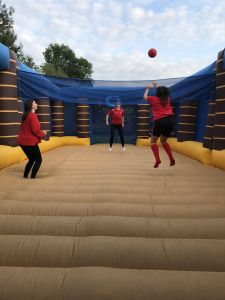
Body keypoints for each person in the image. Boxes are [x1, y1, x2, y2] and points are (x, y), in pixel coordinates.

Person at [143, 81, 175, 168]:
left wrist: (147, 89)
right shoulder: (167, 99)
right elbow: (161, 93)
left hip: (160, 120)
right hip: (170, 120)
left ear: (157, 93)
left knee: (153, 142)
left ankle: (158, 159)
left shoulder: (153, 99)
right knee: (163, 141)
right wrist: (156, 85)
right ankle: (171, 158)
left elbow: (145, 97)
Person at [18, 100, 47, 178]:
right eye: (34, 103)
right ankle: (33, 177)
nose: (36, 104)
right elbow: (35, 130)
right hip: (30, 142)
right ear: (31, 106)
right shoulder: (33, 116)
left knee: (31, 159)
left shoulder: (25, 115)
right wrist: (43, 133)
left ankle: (25, 175)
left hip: (22, 142)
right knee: (38, 160)